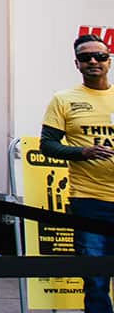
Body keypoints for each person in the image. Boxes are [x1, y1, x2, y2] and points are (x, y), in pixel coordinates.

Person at [41, 33, 114, 313]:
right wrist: (82, 152)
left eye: (100, 56)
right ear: (77, 64)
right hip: (89, 201)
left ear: (109, 61)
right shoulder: (64, 100)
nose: (93, 61)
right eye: (86, 58)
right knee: (95, 279)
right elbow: (48, 145)